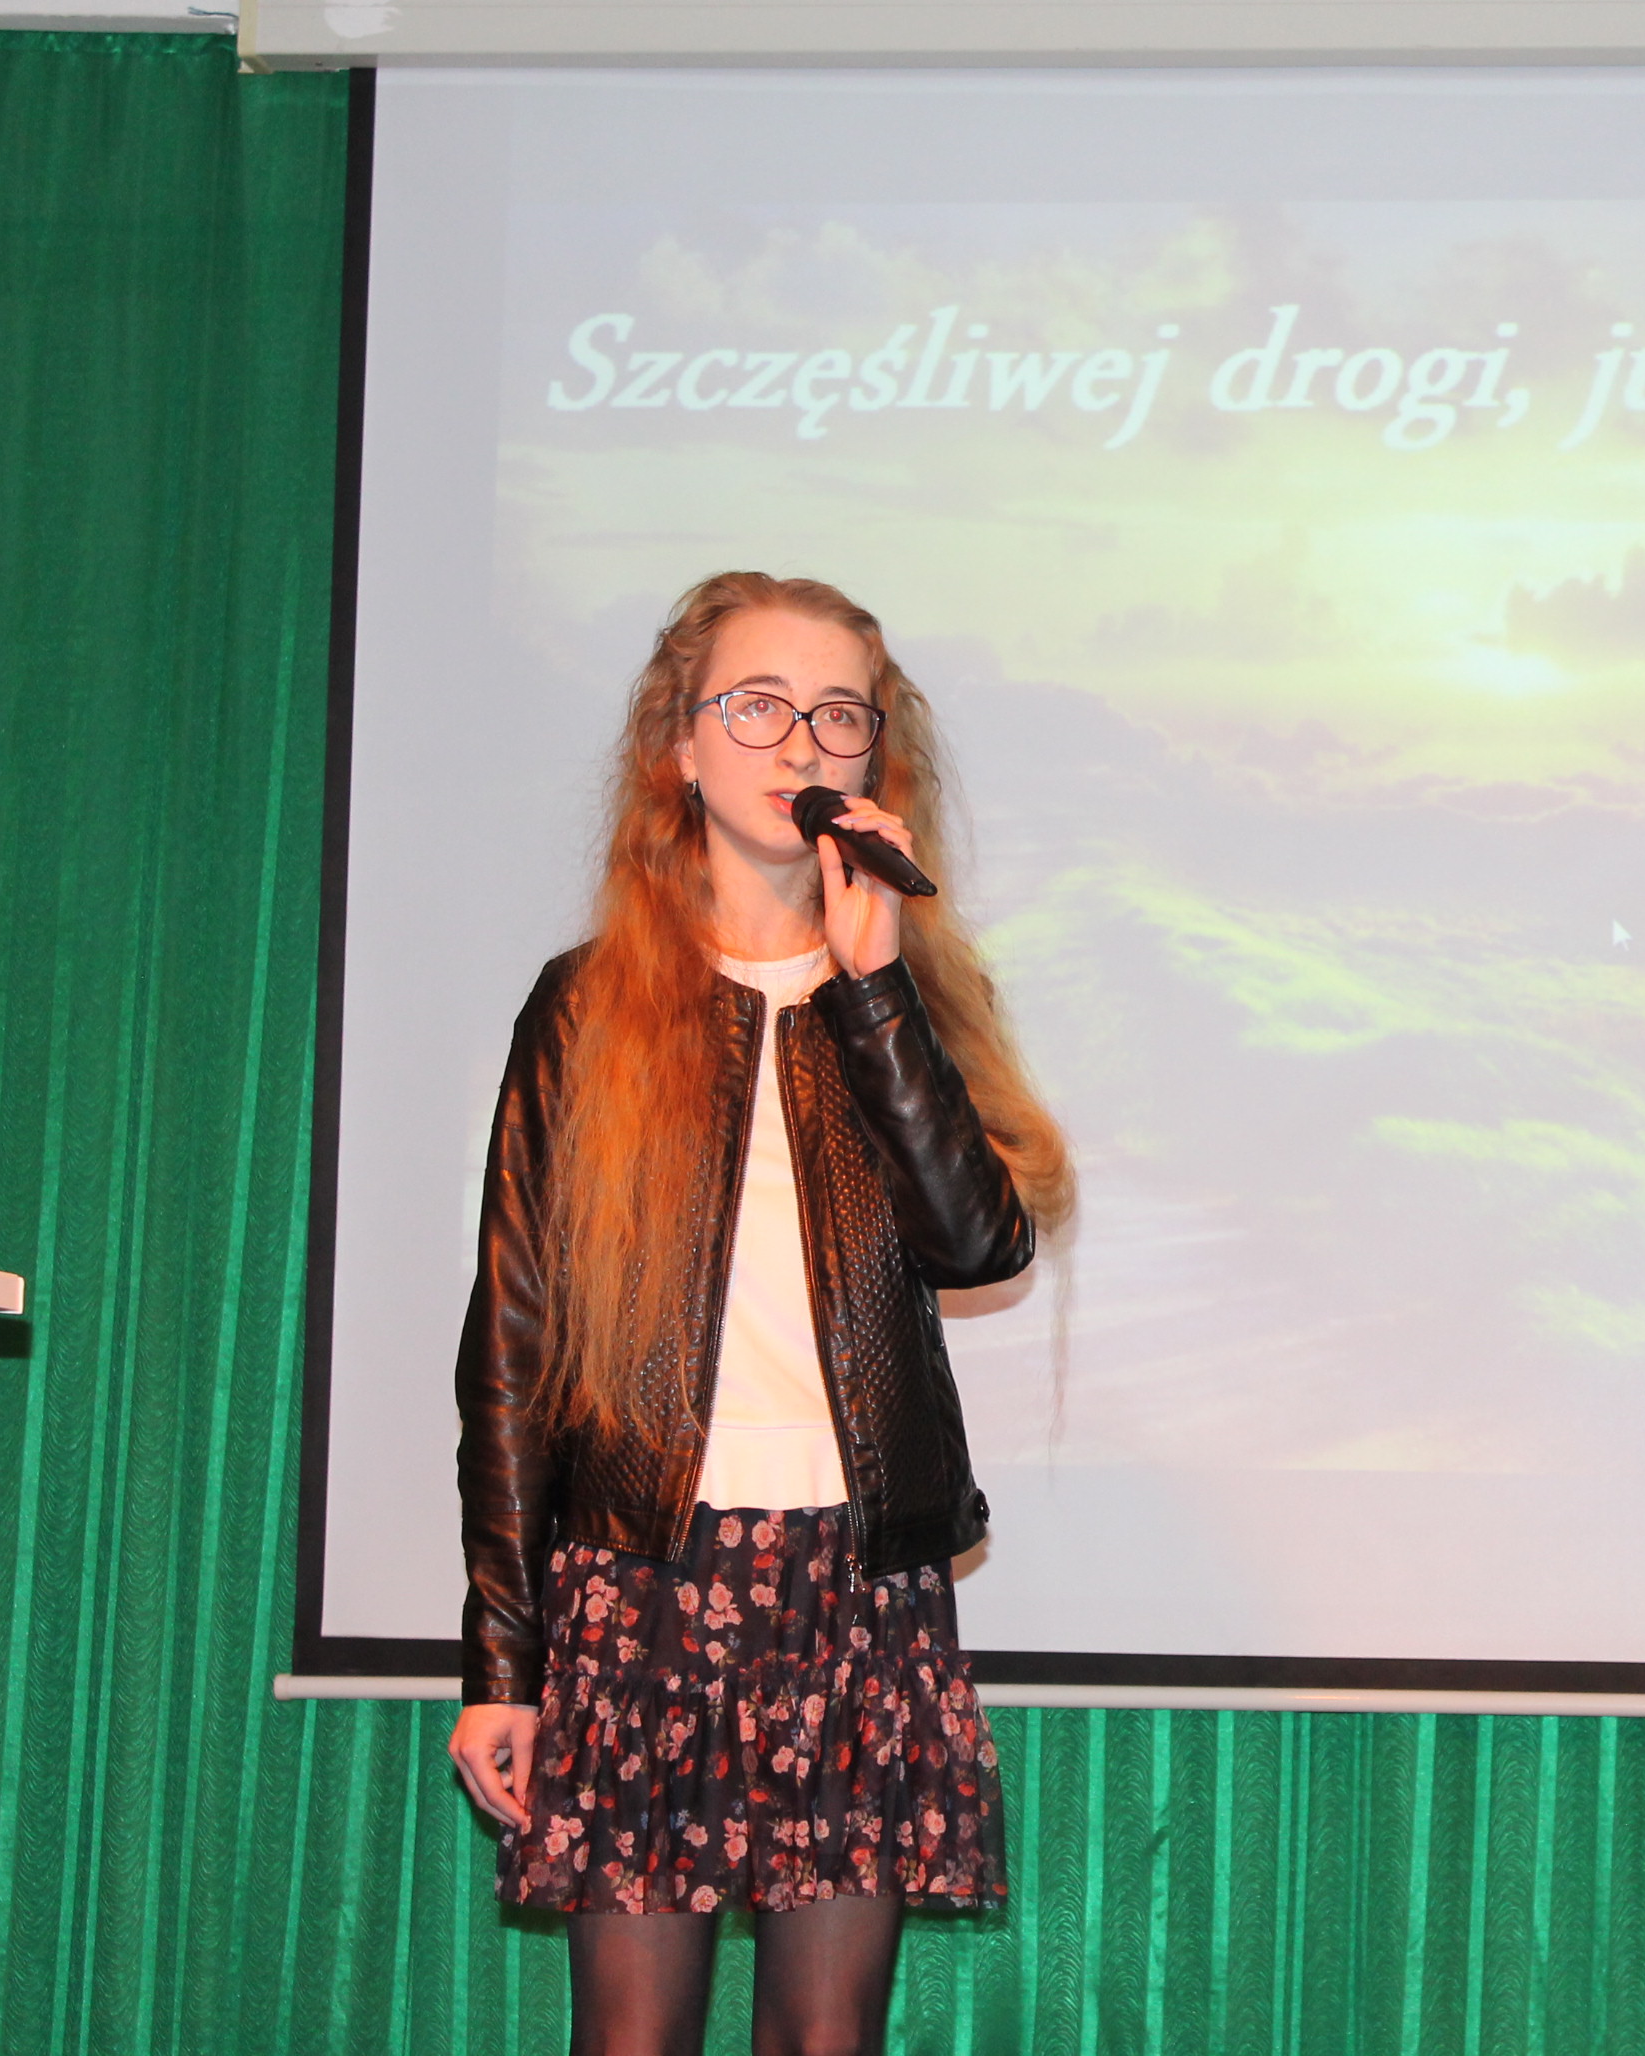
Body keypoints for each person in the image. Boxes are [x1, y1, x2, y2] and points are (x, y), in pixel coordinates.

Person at [444, 571, 1073, 2056]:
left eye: (840, 713)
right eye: (758, 705)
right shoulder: (584, 1008)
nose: (800, 740)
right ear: (681, 744)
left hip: (855, 1580)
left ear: (874, 758)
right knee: (632, 2040)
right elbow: (512, 1351)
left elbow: (979, 1244)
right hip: (639, 1570)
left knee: (823, 2040)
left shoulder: (906, 999)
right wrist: (502, 1664)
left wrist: (874, 991)